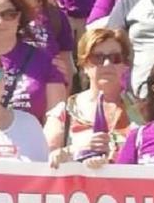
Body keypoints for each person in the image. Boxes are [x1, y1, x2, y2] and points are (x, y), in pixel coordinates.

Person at [46, 29, 141, 164]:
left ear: (125, 65)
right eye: (98, 58)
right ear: (84, 65)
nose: (107, 64)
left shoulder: (142, 112)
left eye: (115, 58)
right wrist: (78, 149)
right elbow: (44, 157)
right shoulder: (64, 112)